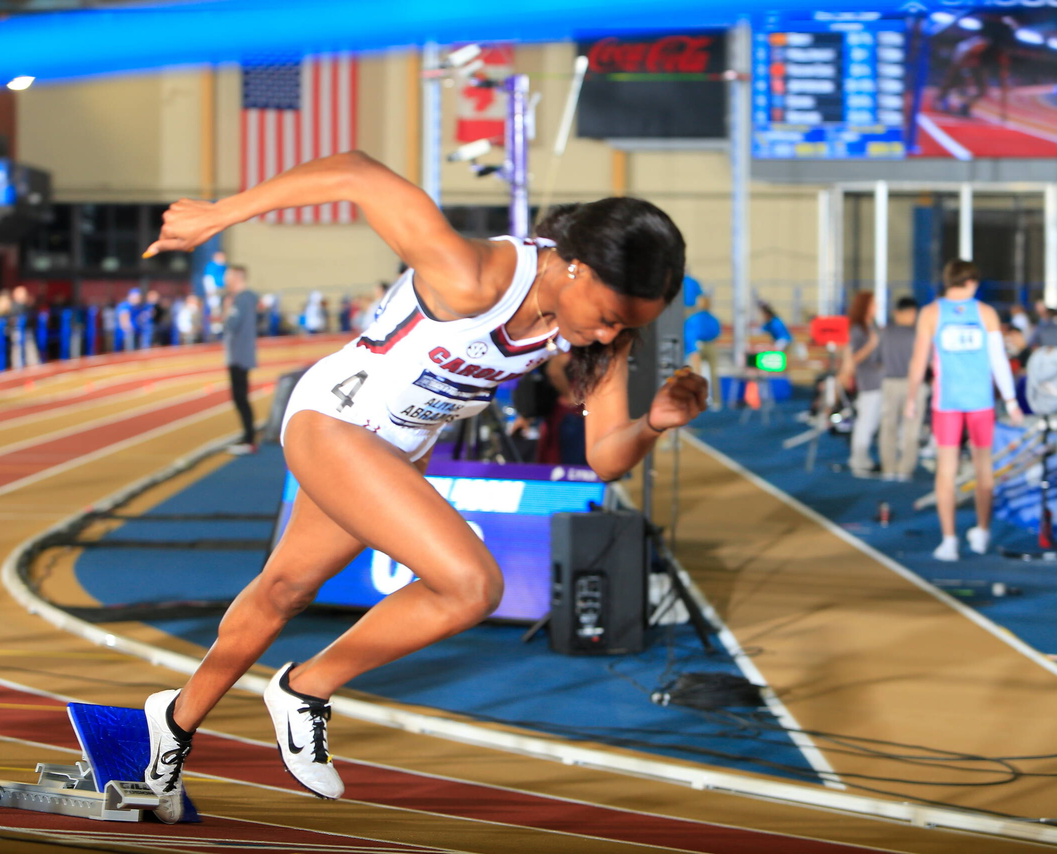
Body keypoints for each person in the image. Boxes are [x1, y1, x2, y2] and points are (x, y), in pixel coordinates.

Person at [136, 151, 706, 822]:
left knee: (285, 590)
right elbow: (354, 172)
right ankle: (305, 689)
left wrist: (655, 423)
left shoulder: (598, 338)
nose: (611, 333)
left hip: (395, 452)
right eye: (609, 315)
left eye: (628, 326)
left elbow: (608, 460)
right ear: (575, 265)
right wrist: (219, 215)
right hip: (336, 418)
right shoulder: (475, 277)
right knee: (472, 585)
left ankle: (170, 728)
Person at [907, 260, 1023, 561]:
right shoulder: (985, 313)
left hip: (947, 402)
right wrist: (1010, 401)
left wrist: (911, 397)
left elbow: (919, 361)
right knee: (984, 469)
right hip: (980, 401)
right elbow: (999, 359)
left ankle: (949, 540)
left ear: (947, 282)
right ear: (972, 282)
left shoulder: (932, 313)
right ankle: (982, 532)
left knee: (946, 470)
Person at [878, 297, 926, 481]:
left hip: (890, 383)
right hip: (914, 384)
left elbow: (877, 359)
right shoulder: (919, 334)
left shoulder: (885, 333)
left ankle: (889, 468)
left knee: (888, 427)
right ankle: (904, 469)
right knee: (910, 429)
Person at [841, 291, 882, 477]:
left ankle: (863, 458)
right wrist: (871, 345)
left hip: (879, 379)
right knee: (865, 423)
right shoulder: (857, 329)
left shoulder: (872, 326)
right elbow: (852, 360)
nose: (877, 307)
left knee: (872, 423)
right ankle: (857, 460)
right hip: (867, 381)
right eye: (874, 304)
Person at [222, 265, 259, 453]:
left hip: (238, 354)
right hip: (243, 353)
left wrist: (227, 310)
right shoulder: (249, 299)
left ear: (236, 278)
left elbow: (231, 325)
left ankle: (248, 439)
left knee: (240, 398)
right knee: (242, 397)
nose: (225, 281)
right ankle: (248, 436)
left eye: (228, 277)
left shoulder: (240, 300)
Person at [684, 293, 722, 410]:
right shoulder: (713, 319)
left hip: (698, 345)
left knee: (696, 374)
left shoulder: (693, 318)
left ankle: (697, 400)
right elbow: (716, 332)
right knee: (713, 373)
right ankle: (716, 401)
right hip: (709, 345)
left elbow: (689, 334)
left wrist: (692, 349)